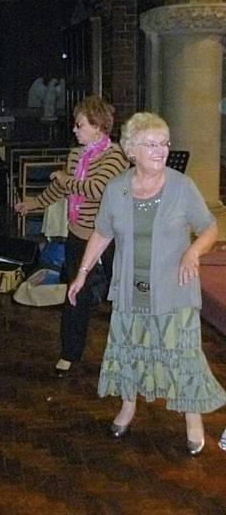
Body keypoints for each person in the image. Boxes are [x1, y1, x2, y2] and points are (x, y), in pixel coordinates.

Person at [68, 112, 226, 455]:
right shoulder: (116, 188)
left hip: (174, 291)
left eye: (164, 143)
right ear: (131, 150)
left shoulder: (181, 187)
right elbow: (102, 232)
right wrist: (81, 273)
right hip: (129, 289)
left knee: (181, 355)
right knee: (128, 352)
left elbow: (210, 227)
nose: (161, 150)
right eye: (151, 144)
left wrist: (193, 252)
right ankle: (128, 407)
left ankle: (192, 418)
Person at [15, 95, 129, 377]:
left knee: (121, 297)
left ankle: (125, 353)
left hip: (112, 237)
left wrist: (65, 180)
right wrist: (34, 202)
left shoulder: (116, 155)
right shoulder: (76, 155)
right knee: (75, 293)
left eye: (80, 125)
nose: (75, 130)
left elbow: (97, 189)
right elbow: (63, 189)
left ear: (99, 126)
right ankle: (69, 353)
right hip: (80, 233)